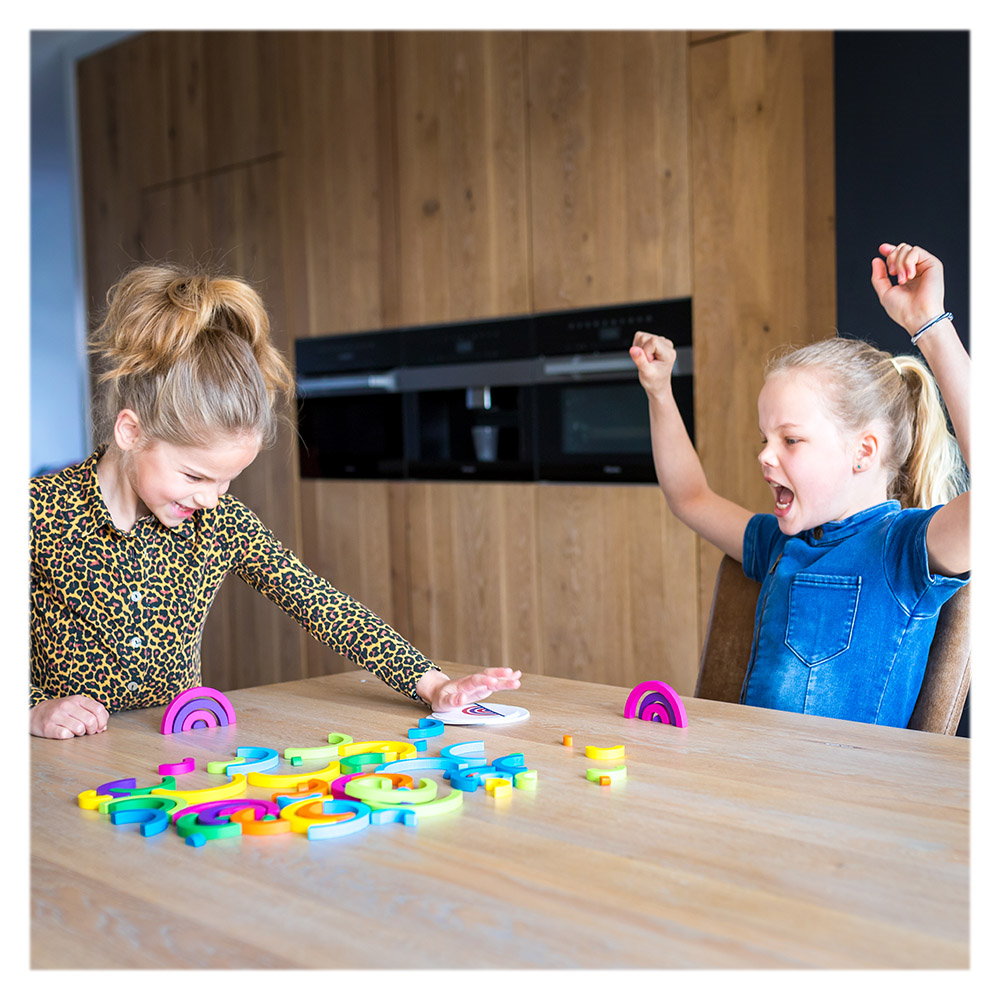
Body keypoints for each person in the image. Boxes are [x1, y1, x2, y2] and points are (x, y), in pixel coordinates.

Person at [30, 264, 521, 739]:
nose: (209, 499)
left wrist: (434, 686)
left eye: (226, 481)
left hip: (176, 754)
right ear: (131, 432)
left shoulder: (221, 524)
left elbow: (323, 605)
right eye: (195, 475)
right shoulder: (35, 512)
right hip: (58, 765)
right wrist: (29, 709)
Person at [629, 242, 969, 727]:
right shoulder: (778, 543)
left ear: (864, 452)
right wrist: (660, 391)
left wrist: (930, 326)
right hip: (754, 769)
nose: (765, 456)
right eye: (765, 439)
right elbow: (690, 497)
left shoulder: (903, 550)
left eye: (790, 440)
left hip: (840, 779)